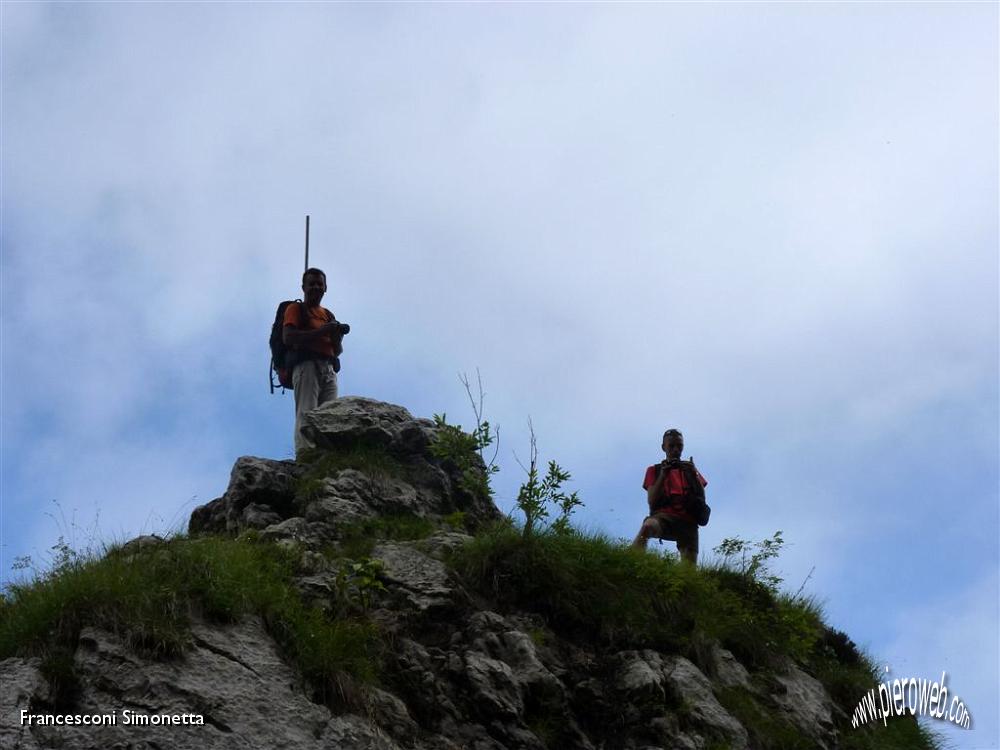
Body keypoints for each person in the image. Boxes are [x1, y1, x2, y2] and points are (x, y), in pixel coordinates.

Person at [283, 267, 349, 457]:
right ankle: (305, 455)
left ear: (326, 287)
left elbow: (337, 351)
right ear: (303, 287)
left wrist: (335, 336)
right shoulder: (296, 309)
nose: (316, 287)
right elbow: (288, 337)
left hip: (328, 368)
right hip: (306, 366)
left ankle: (326, 456)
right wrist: (322, 332)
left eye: (319, 284)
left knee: (330, 415)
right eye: (311, 284)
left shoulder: (327, 314)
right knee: (307, 411)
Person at [632, 428, 707, 564]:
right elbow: (652, 501)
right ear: (664, 447)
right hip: (663, 517)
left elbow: (702, 499)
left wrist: (694, 475)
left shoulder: (690, 470)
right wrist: (663, 475)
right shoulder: (654, 470)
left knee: (688, 571)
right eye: (671, 446)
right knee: (647, 526)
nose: (676, 450)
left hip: (688, 522)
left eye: (679, 446)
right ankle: (631, 561)